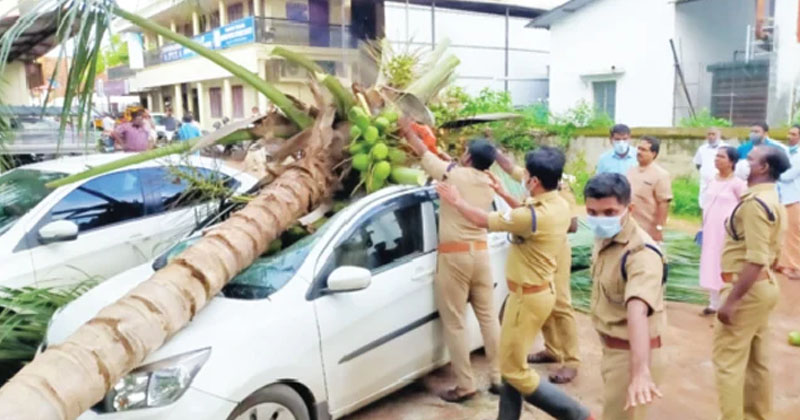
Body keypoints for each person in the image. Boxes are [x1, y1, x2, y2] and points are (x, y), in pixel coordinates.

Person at [438, 146, 592, 420]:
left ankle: (576, 415)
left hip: (526, 299)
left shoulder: (532, 216)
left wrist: (457, 201)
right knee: (513, 363)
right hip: (537, 294)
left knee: (514, 371)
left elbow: (483, 220)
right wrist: (504, 193)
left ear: (533, 181)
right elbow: (525, 216)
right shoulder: (557, 205)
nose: (523, 178)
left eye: (527, 175)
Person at [398, 118, 502, 402]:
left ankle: (466, 384)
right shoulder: (490, 181)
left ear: (467, 156)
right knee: (488, 318)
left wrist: (408, 131)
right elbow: (451, 167)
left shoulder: (453, 176)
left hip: (455, 257)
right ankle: (498, 377)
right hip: (481, 253)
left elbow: (422, 153)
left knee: (455, 322)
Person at [713, 145, 790, 420]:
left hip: (747, 288)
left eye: (751, 159)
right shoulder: (772, 200)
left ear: (763, 168)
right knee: (758, 362)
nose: (745, 162)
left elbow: (755, 258)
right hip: (763, 287)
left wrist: (731, 301)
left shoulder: (755, 205)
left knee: (728, 363)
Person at [584, 173, 666, 420]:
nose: (600, 220)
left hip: (630, 355)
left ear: (629, 209)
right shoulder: (606, 238)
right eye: (592, 212)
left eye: (609, 212)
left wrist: (640, 373)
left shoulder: (641, 253)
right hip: (611, 351)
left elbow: (637, 311)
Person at [494, 152, 581, 384]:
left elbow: (572, 225)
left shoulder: (561, 193)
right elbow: (511, 167)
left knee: (560, 304)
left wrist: (544, 224)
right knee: (546, 303)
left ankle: (572, 361)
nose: (524, 177)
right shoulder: (537, 182)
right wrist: (491, 150)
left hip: (555, 251)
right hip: (540, 248)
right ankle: (552, 349)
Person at [698, 146, 747, 315]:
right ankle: (713, 302)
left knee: (724, 262)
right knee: (710, 261)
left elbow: (745, 207)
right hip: (710, 228)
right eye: (716, 156)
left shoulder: (738, 184)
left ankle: (727, 300)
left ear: (731, 162)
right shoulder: (712, 180)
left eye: (722, 157)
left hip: (726, 230)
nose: (717, 159)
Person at [626, 136, 672, 243]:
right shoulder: (631, 171)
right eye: (638, 148)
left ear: (653, 154)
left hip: (648, 230)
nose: (639, 152)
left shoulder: (661, 175)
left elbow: (663, 204)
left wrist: (658, 228)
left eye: (643, 150)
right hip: (629, 227)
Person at [778, 125, 800, 277]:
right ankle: (783, 263)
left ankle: (795, 267)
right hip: (783, 197)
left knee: (794, 233)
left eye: (793, 134)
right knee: (783, 231)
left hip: (795, 197)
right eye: (789, 133)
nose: (789, 136)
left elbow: (788, 175)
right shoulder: (786, 151)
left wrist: (775, 172)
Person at [694, 127, 726, 210]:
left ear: (719, 135)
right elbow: (698, 164)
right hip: (705, 181)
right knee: (704, 203)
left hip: (721, 181)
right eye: (709, 134)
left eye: (713, 134)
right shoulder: (702, 149)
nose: (711, 136)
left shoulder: (726, 148)